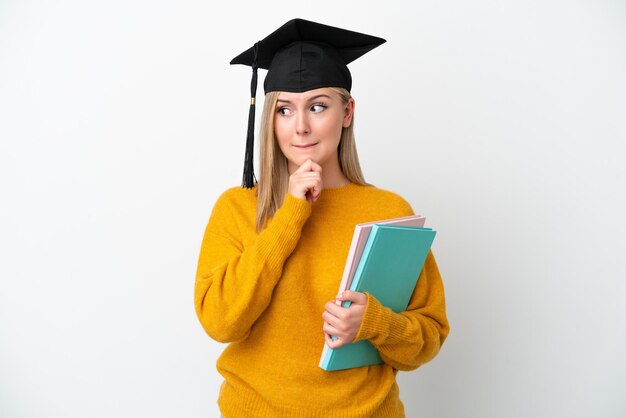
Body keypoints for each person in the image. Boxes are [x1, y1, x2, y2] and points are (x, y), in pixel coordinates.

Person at [194, 18, 449, 418]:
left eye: (317, 106)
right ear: (270, 119)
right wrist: (291, 212)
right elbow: (221, 323)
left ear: (346, 112)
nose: (301, 127)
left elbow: (428, 338)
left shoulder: (389, 211)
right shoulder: (238, 208)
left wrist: (374, 322)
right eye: (284, 109)